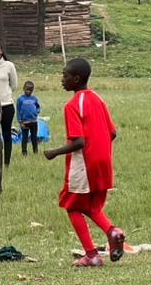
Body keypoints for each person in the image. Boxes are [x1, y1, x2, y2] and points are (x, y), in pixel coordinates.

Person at [44, 58, 126, 267]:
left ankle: (91, 255)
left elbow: (79, 141)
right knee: (90, 206)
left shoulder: (73, 105)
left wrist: (55, 152)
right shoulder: (98, 99)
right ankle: (112, 231)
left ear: (76, 79)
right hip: (103, 163)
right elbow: (113, 132)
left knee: (71, 206)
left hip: (84, 164)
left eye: (65, 76)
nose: (62, 80)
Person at [16, 81, 41, 157]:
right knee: (25, 138)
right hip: (25, 122)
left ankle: (35, 151)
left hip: (34, 122)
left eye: (31, 90)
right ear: (24, 89)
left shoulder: (34, 98)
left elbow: (38, 107)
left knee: (34, 137)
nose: (29, 91)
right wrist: (20, 122)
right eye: (27, 89)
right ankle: (24, 153)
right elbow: (18, 110)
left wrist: (36, 112)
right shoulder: (20, 99)